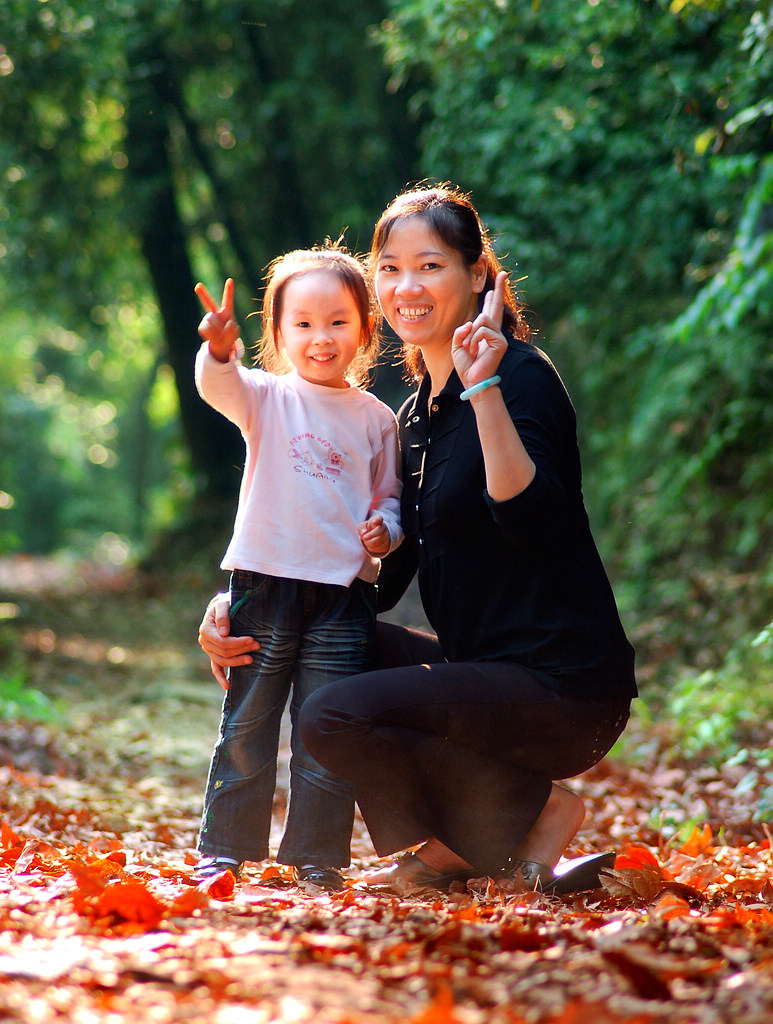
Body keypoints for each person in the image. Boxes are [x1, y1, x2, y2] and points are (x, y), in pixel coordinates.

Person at [199, 184, 636, 895]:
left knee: (331, 711)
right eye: (391, 268)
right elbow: (374, 582)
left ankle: (503, 825)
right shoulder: (404, 417)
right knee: (335, 643)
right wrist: (242, 601)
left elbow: (529, 522)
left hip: (562, 684)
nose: (408, 286)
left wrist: (482, 388)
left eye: (430, 266)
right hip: (483, 674)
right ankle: (481, 836)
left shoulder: (522, 379)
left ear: (475, 275)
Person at [192, 243, 402, 891]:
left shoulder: (377, 420)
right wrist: (220, 349)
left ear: (365, 329)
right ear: (277, 334)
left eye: (337, 321)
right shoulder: (265, 398)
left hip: (342, 598)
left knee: (322, 731)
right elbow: (217, 384)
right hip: (264, 584)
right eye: (303, 324)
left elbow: (390, 499)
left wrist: (384, 530)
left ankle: (318, 856)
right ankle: (223, 849)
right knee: (247, 723)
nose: (320, 338)